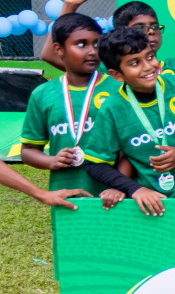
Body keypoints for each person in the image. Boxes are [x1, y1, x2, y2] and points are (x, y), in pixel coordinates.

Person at [80, 26, 175, 209]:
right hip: (155, 202)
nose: (148, 66)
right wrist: (135, 189)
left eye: (150, 57)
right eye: (134, 63)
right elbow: (94, 164)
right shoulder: (112, 108)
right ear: (116, 75)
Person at [20, 13, 111, 196]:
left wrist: (120, 186)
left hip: (113, 194)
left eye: (96, 43)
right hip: (64, 194)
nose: (92, 51)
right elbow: (28, 151)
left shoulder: (118, 89)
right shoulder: (43, 94)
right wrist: (51, 161)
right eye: (81, 44)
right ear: (59, 49)